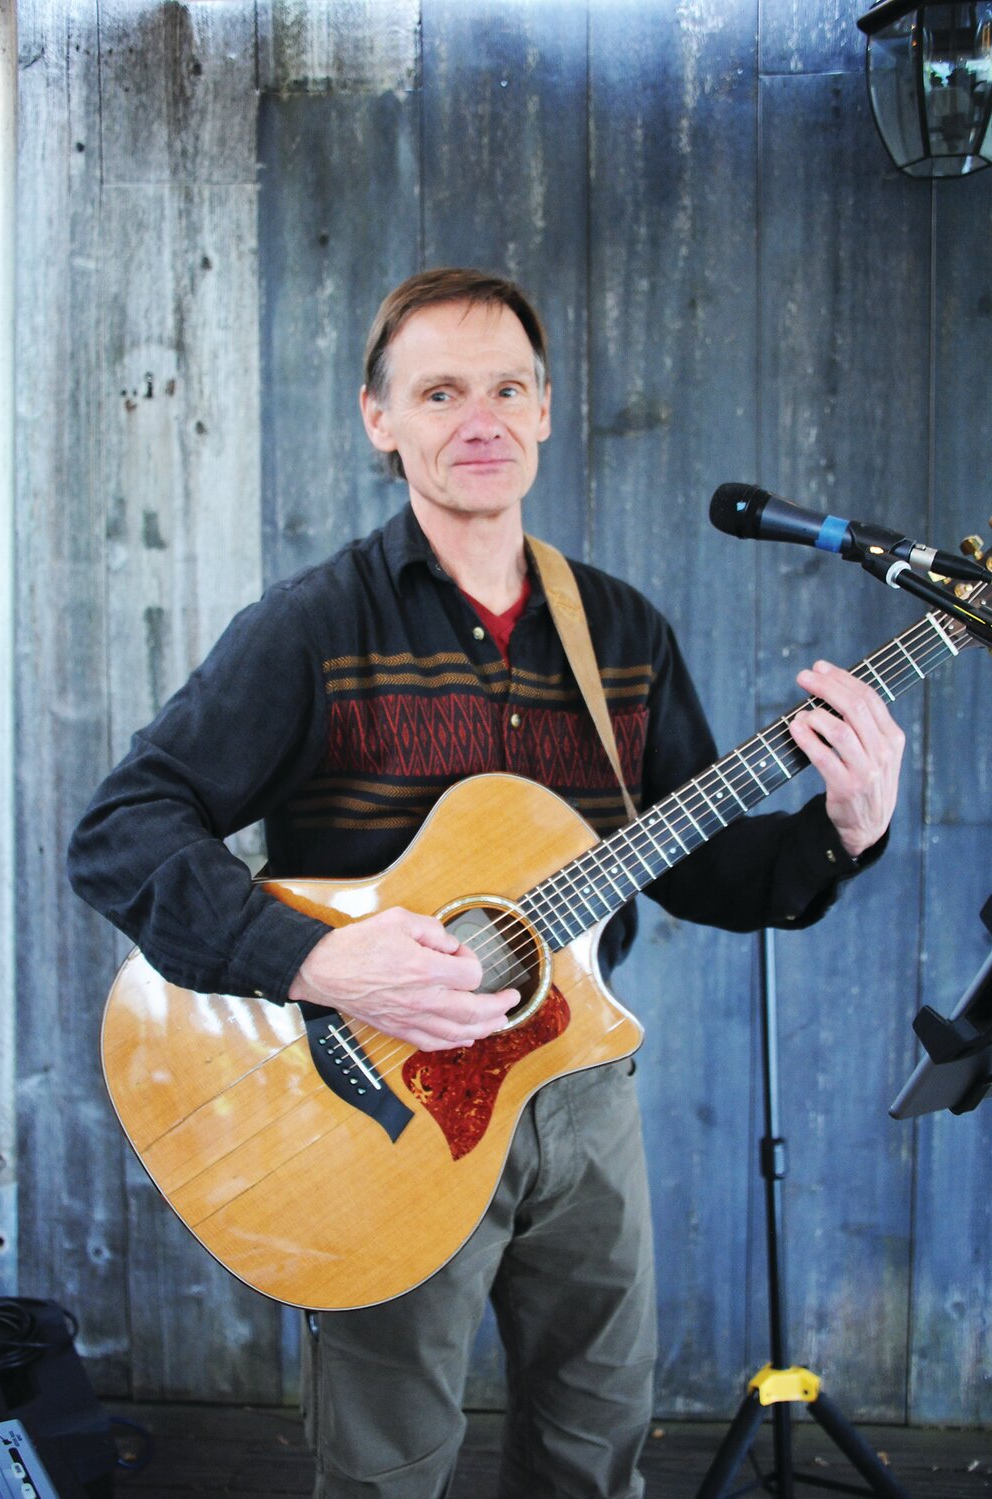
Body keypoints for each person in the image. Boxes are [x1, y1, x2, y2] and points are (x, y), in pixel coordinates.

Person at [68, 268, 905, 1499]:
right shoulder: (310, 626)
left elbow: (709, 869)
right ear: (379, 419)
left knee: (593, 1442)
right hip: (374, 1103)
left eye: (507, 387)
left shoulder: (619, 629)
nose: (480, 418)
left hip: (578, 1088)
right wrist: (315, 957)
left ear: (546, 411)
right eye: (440, 390)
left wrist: (843, 827)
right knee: (386, 1464)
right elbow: (121, 830)